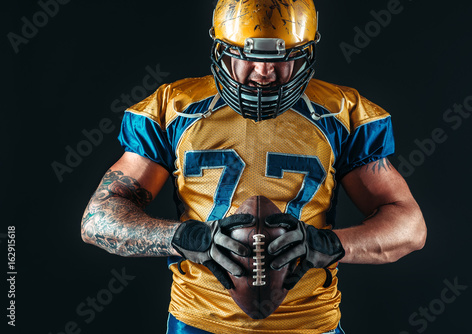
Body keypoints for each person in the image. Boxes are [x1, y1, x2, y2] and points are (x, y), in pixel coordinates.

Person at [81, 0, 427, 333]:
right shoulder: (174, 108)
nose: (264, 73)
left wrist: (329, 244)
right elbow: (98, 219)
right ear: (220, 50)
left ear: (306, 53)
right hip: (199, 321)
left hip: (309, 323)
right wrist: (184, 237)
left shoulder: (342, 113)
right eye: (246, 57)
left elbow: (410, 227)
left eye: (283, 58)